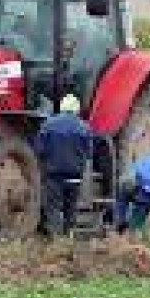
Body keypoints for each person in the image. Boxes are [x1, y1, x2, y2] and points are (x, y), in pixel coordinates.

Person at [35, 94, 94, 235]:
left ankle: (57, 239)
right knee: (70, 207)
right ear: (76, 109)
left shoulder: (48, 124)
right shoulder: (84, 127)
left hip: (54, 175)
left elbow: (39, 149)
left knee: (53, 207)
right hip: (75, 176)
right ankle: (68, 237)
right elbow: (89, 153)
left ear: (61, 107)